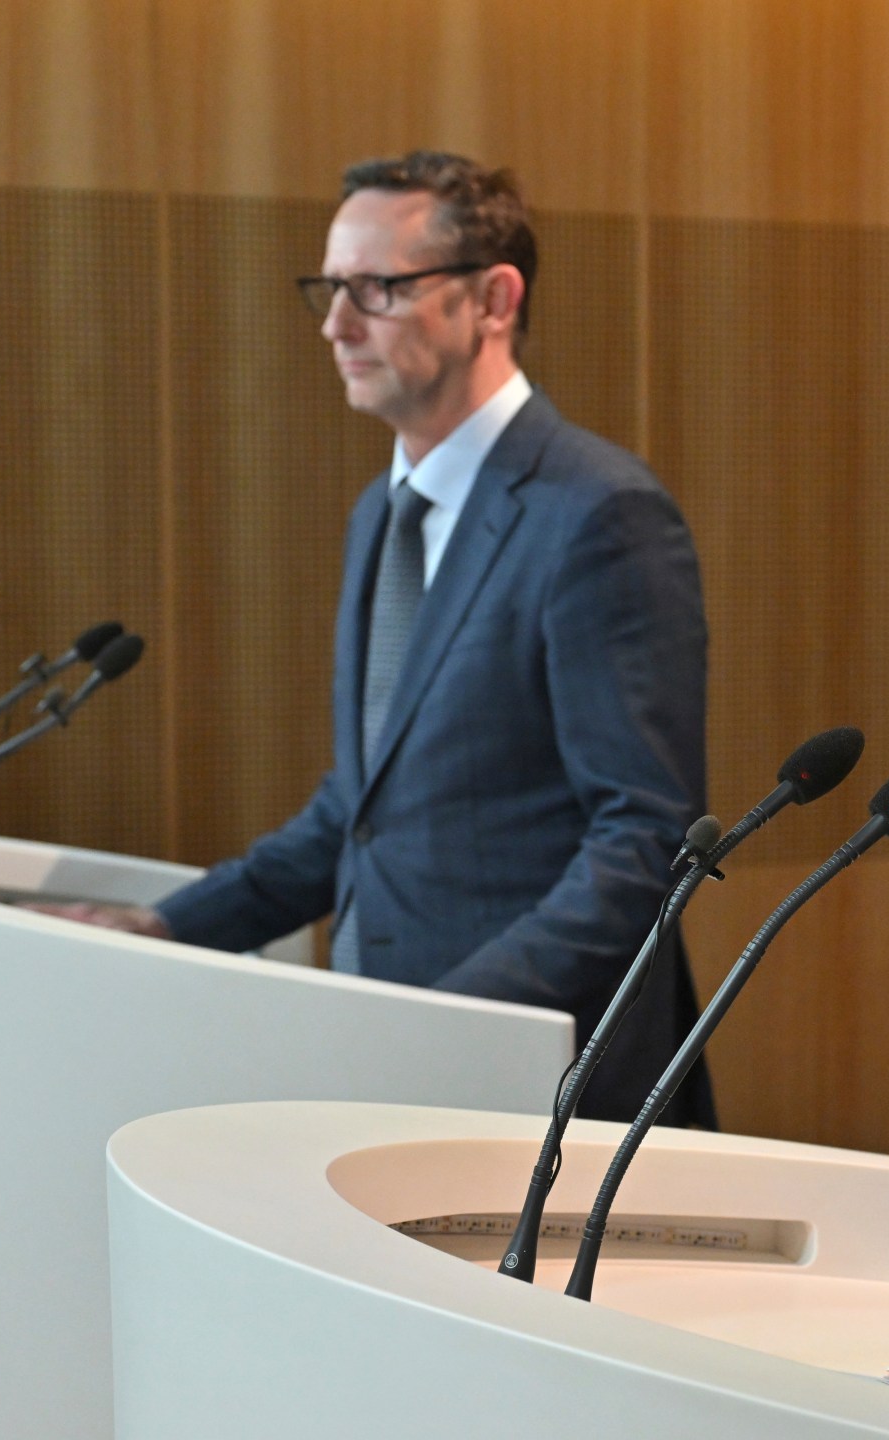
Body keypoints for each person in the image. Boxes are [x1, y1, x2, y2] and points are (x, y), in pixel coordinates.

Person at [37, 152, 712, 1125]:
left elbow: (645, 845)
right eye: (330, 288)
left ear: (493, 299)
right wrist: (165, 926)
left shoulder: (598, 514)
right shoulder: (381, 513)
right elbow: (362, 809)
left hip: (537, 1087)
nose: (335, 324)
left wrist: (442, 1027)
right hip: (393, 1068)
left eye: (378, 290)